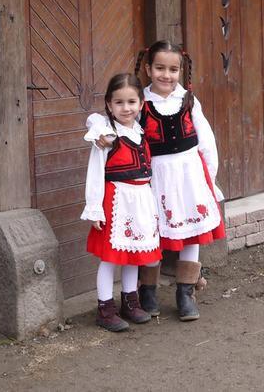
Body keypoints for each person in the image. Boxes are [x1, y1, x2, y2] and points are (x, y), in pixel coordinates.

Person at [121, 40, 224, 321]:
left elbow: (206, 140)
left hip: (189, 175)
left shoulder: (188, 100)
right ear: (148, 68)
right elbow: (126, 136)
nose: (166, 75)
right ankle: (149, 291)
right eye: (160, 68)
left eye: (173, 69)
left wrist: (209, 179)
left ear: (181, 71)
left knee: (191, 231)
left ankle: (185, 292)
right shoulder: (140, 103)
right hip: (157, 177)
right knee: (153, 231)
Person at [81, 73, 162, 332]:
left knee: (134, 256)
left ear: (140, 104)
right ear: (108, 104)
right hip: (116, 203)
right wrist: (94, 208)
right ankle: (105, 309)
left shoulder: (140, 132)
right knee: (111, 259)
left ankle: (130, 302)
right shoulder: (105, 136)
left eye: (131, 102)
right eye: (119, 103)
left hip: (140, 201)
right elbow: (95, 174)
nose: (125, 108)